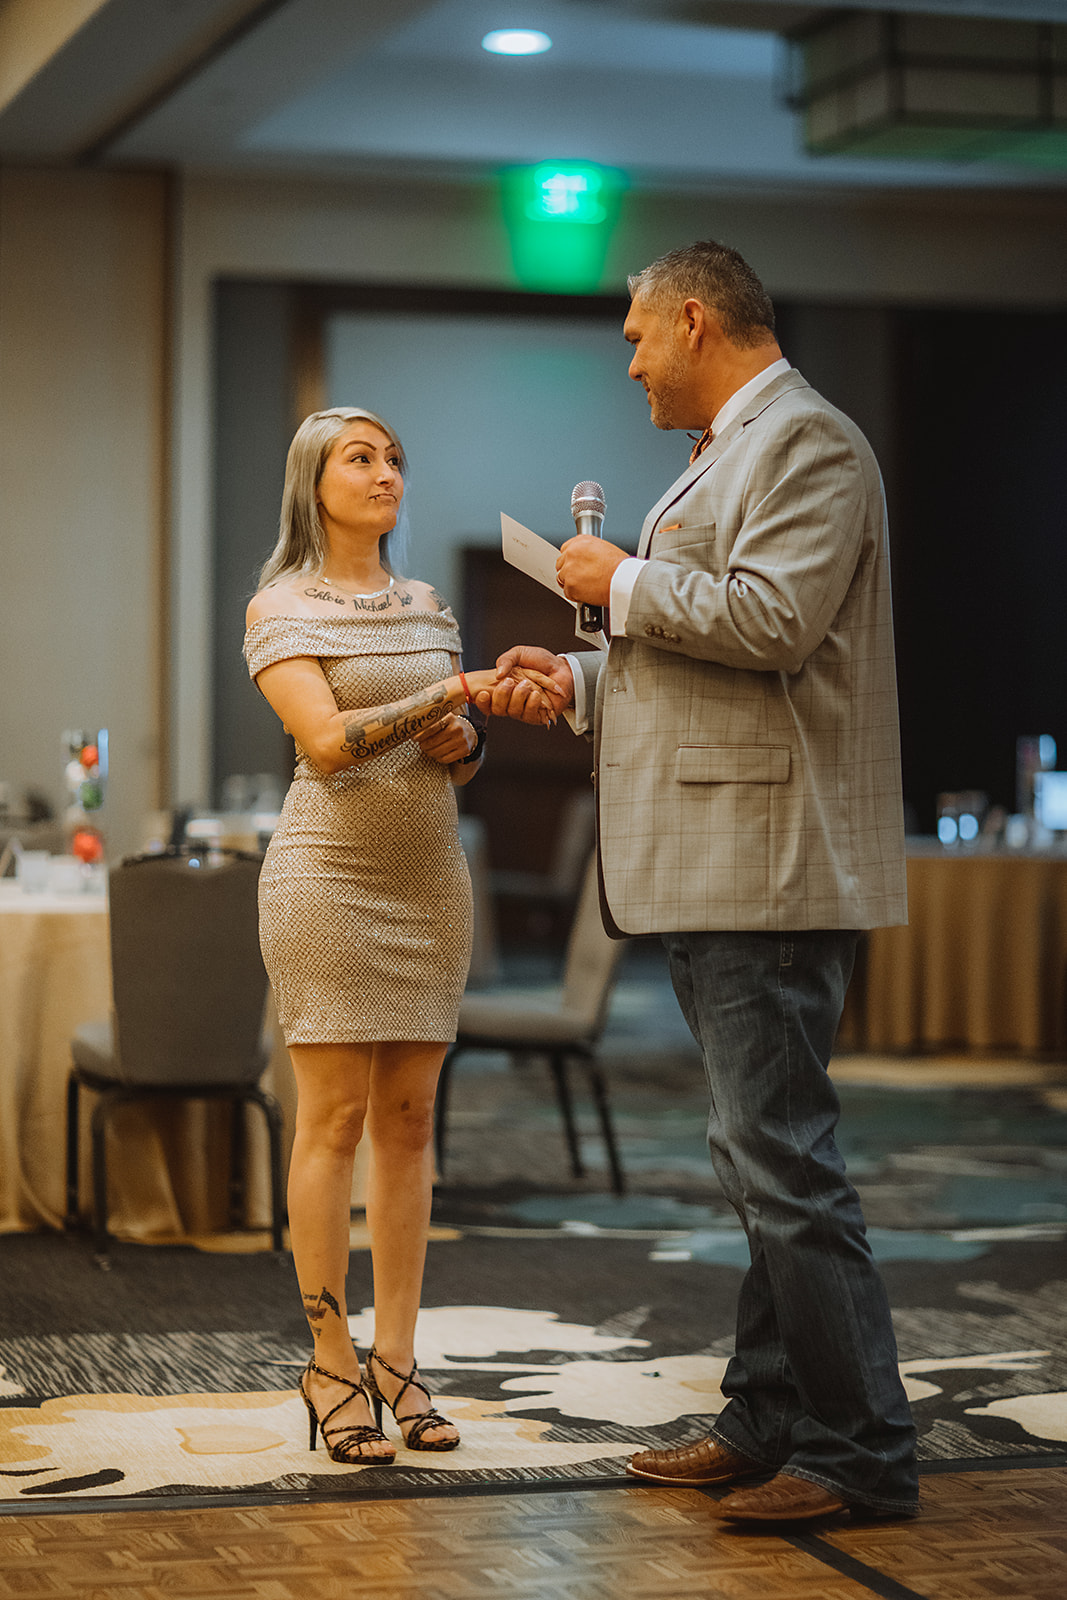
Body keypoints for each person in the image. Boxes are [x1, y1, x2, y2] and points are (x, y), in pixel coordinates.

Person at [479, 241, 919, 1522]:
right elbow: (714, 659)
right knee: (756, 1157)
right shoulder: (729, 448)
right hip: (720, 855)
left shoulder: (806, 441)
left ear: (690, 320)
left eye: (633, 339)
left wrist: (617, 579)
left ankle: (860, 1451)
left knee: (780, 1161)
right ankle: (769, 1412)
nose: (627, 364)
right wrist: (581, 680)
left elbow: (774, 621)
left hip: (764, 863)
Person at [244, 407, 549, 1464]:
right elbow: (330, 745)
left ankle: (399, 1358)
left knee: (411, 1122)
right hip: (326, 877)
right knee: (332, 1121)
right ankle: (328, 1361)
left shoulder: (426, 606)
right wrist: (449, 690)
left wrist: (465, 739)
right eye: (360, 458)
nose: (386, 474)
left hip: (428, 880)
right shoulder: (281, 605)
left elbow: (449, 753)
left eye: (395, 460)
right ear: (313, 482)